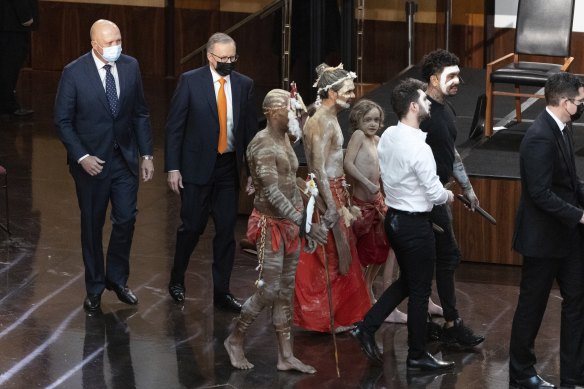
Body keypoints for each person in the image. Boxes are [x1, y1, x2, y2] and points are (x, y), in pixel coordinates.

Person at [351, 78, 455, 372]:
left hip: (394, 220)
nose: (428, 103)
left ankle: (367, 327)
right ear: (413, 106)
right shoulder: (419, 148)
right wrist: (447, 194)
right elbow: (435, 194)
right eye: (424, 99)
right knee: (420, 290)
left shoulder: (389, 136)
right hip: (414, 226)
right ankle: (416, 354)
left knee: (407, 282)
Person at [224, 88, 327, 373]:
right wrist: (304, 225)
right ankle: (235, 338)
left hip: (291, 225)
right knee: (268, 289)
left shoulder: (284, 138)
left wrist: (308, 203)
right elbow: (271, 193)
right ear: (271, 112)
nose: (293, 113)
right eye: (288, 109)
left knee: (285, 290)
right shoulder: (262, 144)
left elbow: (289, 180)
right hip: (272, 225)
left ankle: (285, 355)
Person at [54, 19, 154, 312]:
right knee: (92, 225)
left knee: (126, 219)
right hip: (91, 164)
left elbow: (140, 113)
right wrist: (82, 157)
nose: (116, 47)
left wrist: (146, 154)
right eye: (109, 43)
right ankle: (95, 286)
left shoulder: (131, 66)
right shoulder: (73, 73)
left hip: (124, 158)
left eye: (118, 41)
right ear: (94, 44)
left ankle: (118, 279)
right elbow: (62, 121)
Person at [165, 32, 258, 312]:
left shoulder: (245, 85)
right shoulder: (190, 81)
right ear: (209, 56)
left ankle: (222, 291)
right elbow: (174, 128)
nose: (229, 62)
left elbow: (250, 132)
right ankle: (177, 279)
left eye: (233, 58)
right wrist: (173, 167)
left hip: (228, 168)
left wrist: (252, 170)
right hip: (195, 168)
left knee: (226, 231)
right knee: (192, 227)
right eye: (223, 58)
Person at [509, 72, 584, 389]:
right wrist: (580, 216)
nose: (582, 105)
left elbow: (567, 182)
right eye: (579, 101)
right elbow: (539, 194)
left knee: (577, 302)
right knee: (532, 307)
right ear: (565, 102)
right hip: (542, 240)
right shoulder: (540, 136)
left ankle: (573, 375)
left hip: (566, 238)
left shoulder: (562, 128)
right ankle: (521, 373)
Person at [293, 63, 371, 333]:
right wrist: (332, 208)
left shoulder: (329, 116)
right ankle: (325, 318)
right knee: (330, 255)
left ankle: (337, 316)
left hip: (336, 190)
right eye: (348, 91)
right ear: (332, 93)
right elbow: (317, 169)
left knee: (340, 254)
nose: (352, 95)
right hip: (326, 194)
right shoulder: (320, 122)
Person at [419, 49, 484, 347]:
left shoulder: (446, 109)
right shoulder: (421, 112)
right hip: (425, 199)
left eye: (458, 74)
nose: (458, 80)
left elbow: (452, 152)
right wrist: (438, 194)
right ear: (433, 79)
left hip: (441, 193)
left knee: (443, 259)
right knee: (445, 258)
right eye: (451, 76)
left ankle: (439, 322)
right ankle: (450, 323)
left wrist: (467, 189)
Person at [0, 0, 37, 116]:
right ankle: (7, 105)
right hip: (13, 23)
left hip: (8, 22)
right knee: (9, 64)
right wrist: (25, 16)